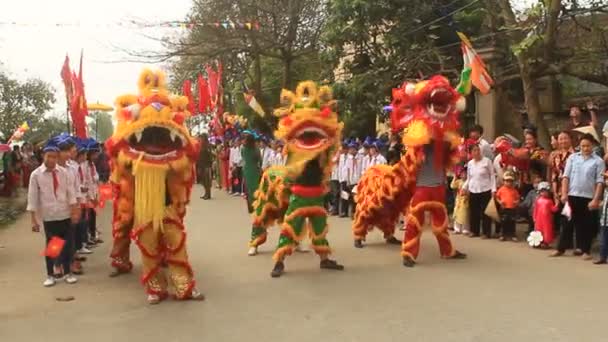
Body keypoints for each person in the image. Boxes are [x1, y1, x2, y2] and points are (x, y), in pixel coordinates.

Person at [27, 138, 79, 287]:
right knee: (52, 246)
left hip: (65, 214)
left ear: (58, 157)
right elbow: (32, 197)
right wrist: (33, 219)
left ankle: (68, 272)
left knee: (68, 245)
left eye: (54, 156)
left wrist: (75, 210)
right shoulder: (36, 175)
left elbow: (70, 192)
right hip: (50, 216)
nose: (52, 159)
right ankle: (50, 275)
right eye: (49, 156)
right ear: (43, 156)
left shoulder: (63, 172)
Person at [552, 133, 605, 260]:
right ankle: (561, 248)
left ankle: (585, 250)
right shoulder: (573, 158)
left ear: (592, 145)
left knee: (585, 224)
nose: (585, 148)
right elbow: (566, 177)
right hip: (572, 195)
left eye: (587, 146)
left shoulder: (598, 161)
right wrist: (564, 193)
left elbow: (600, 182)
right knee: (566, 223)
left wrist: (596, 199)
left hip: (588, 197)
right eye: (582, 146)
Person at [466, 144, 496, 238]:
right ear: (471, 153)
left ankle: (486, 232)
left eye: (478, 150)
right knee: (474, 211)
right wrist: (464, 188)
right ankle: (474, 231)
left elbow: (492, 176)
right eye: (474, 150)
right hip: (473, 189)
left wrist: (493, 189)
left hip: (485, 189)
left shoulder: (487, 161)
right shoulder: (470, 163)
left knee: (485, 212)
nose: (477, 152)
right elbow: (469, 178)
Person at [533, 181, 559, 248]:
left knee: (546, 230)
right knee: (538, 229)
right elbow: (535, 209)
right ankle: (537, 242)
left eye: (546, 191)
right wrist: (534, 217)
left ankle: (545, 242)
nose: (544, 193)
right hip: (539, 219)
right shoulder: (538, 200)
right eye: (542, 191)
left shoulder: (550, 201)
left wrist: (557, 204)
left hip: (547, 220)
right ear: (540, 192)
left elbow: (554, 209)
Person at [495, 171, 519, 241]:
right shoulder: (501, 189)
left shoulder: (514, 190)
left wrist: (516, 202)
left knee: (512, 221)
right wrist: (500, 202)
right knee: (503, 221)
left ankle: (513, 234)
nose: (509, 183)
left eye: (511, 181)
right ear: (503, 181)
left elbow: (517, 198)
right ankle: (503, 234)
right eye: (507, 181)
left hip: (512, 208)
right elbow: (497, 197)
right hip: (504, 208)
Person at [241, 131, 262, 213]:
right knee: (256, 188)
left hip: (246, 170)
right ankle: (257, 205)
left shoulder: (243, 148)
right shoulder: (256, 149)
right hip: (255, 170)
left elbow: (243, 157)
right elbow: (259, 160)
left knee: (248, 189)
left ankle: (250, 208)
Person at [341, 141, 361, 218]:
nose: (351, 150)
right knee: (349, 197)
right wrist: (347, 180)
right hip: (351, 180)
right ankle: (349, 212)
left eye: (352, 149)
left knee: (355, 198)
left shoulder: (360, 158)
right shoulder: (349, 158)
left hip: (358, 180)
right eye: (350, 149)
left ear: (356, 149)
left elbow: (361, 169)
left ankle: (355, 212)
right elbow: (347, 170)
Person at [450, 168, 469, 235]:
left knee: (465, 214)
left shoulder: (468, 182)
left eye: (465, 174)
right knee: (457, 214)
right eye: (462, 174)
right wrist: (454, 177)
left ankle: (465, 229)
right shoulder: (459, 181)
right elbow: (452, 186)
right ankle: (457, 228)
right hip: (459, 199)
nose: (463, 175)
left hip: (465, 199)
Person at [595, 172, 608, 265]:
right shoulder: (606, 190)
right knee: (603, 239)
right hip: (604, 218)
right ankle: (602, 256)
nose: (606, 181)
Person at [198, 134, 214, 200]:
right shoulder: (200, 146)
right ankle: (205, 193)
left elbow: (210, 156)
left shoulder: (208, 146)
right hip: (201, 165)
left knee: (207, 180)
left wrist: (210, 165)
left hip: (206, 165)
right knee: (203, 181)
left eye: (201, 138)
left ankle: (208, 194)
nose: (200, 139)